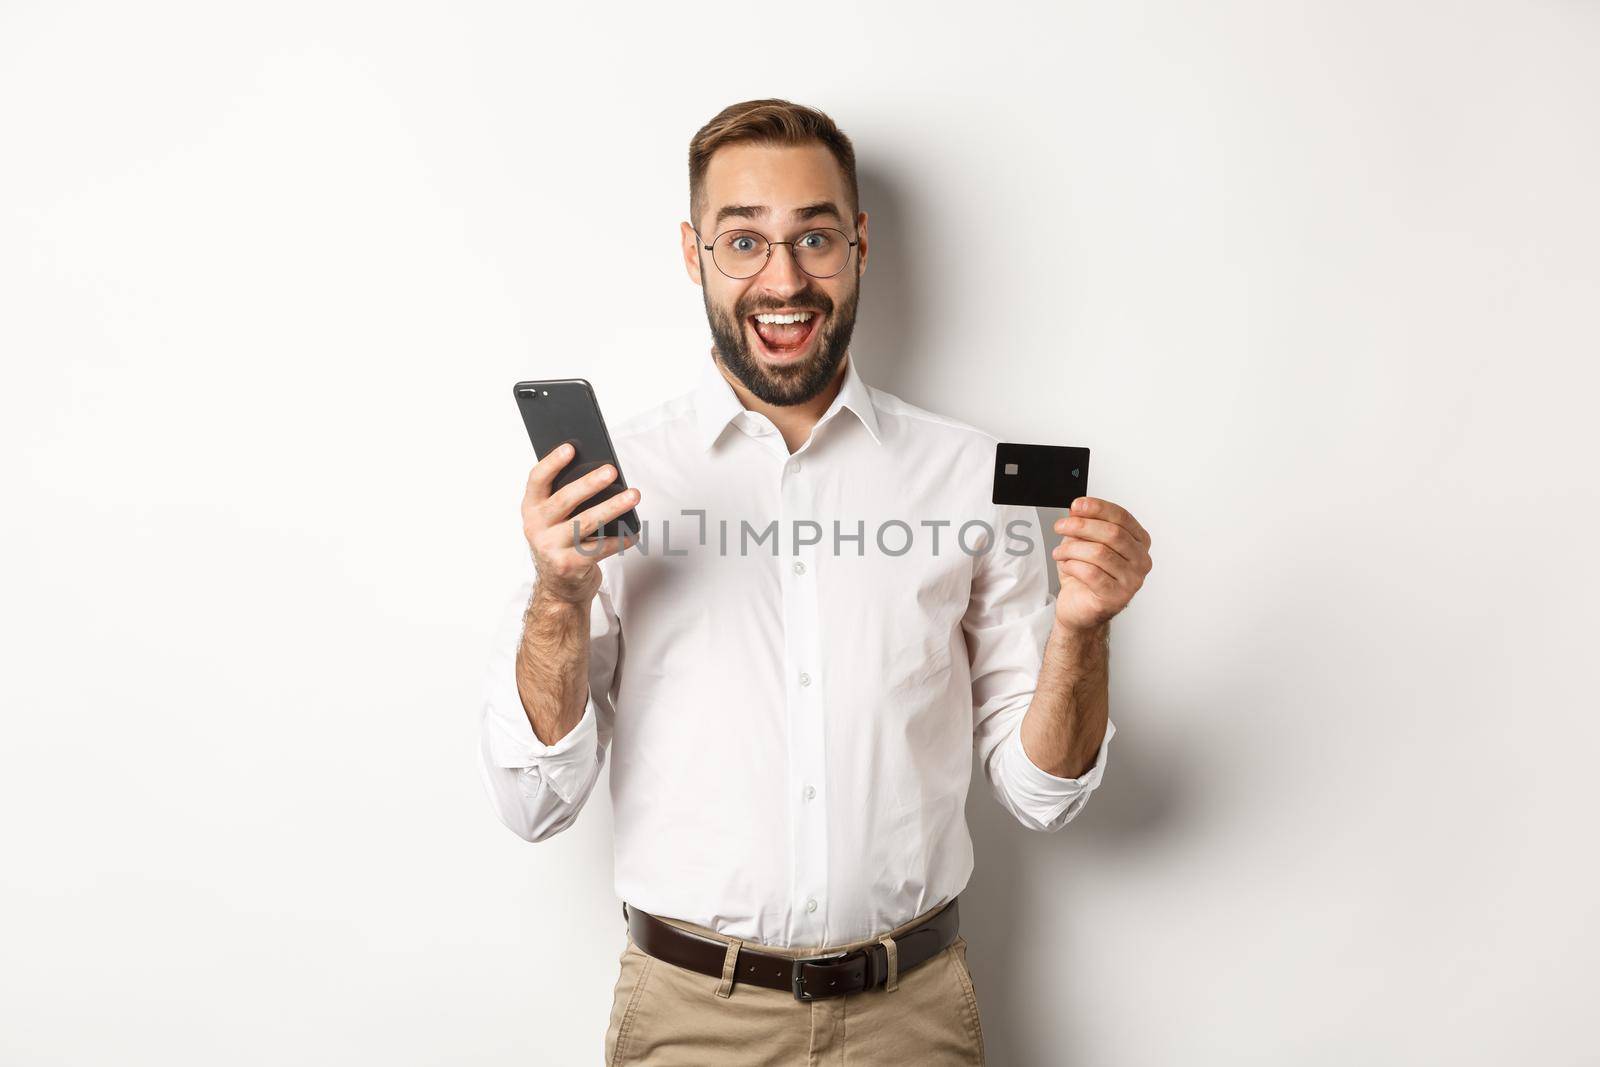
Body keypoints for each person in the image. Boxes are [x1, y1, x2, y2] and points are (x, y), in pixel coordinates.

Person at [478, 98, 1154, 1066]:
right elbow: (533, 801)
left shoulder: (969, 476)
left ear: (860, 244)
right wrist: (557, 596)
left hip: (910, 1020)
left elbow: (1042, 792)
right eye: (743, 240)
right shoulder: (611, 483)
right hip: (689, 1021)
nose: (783, 279)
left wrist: (1082, 628)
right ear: (692, 251)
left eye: (815, 237)